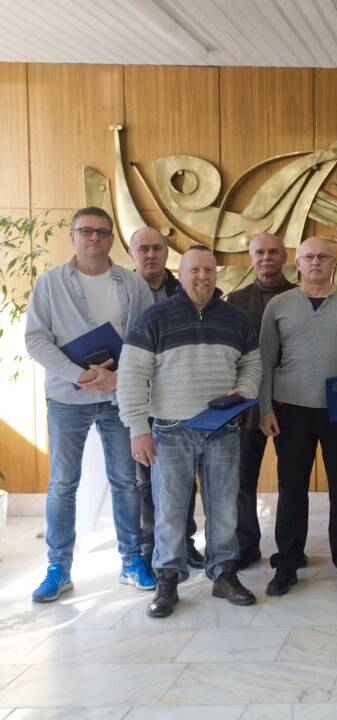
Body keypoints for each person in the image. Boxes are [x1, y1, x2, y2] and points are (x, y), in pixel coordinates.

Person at [118, 245, 261, 618]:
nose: (203, 277)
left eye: (209, 270)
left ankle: (223, 574)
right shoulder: (154, 318)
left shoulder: (236, 319)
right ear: (179, 275)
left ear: (217, 274)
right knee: (170, 510)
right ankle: (167, 580)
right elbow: (132, 376)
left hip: (223, 430)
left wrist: (245, 389)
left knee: (224, 507)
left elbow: (252, 364)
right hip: (170, 429)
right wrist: (138, 429)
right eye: (194, 270)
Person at [25, 207, 156, 602]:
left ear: (112, 238)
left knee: (125, 481)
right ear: (73, 236)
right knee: (63, 484)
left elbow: (146, 339)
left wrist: (116, 378)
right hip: (68, 397)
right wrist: (77, 374)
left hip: (119, 396)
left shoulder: (133, 285)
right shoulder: (49, 283)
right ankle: (58, 569)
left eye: (101, 232)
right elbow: (36, 339)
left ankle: (132, 560)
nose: (94, 239)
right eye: (86, 231)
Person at [260, 237, 337, 596]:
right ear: (297, 263)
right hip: (290, 410)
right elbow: (265, 360)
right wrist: (265, 407)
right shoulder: (279, 306)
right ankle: (287, 562)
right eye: (308, 257)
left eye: (323, 257)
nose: (315, 262)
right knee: (291, 488)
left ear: (334, 264)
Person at [128, 227, 202, 570]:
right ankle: (149, 549)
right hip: (137, 397)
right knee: (145, 482)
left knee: (182, 480)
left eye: (157, 248)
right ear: (132, 253)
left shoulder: (182, 289)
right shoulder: (123, 289)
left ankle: (184, 544)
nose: (151, 254)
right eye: (143, 249)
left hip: (178, 398)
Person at [225, 232, 296, 569]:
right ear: (251, 258)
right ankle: (246, 546)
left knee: (291, 481)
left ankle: (289, 550)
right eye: (259, 252)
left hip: (289, 403)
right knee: (242, 480)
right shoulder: (235, 301)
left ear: (285, 257)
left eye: (273, 252)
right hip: (246, 405)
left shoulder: (300, 296)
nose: (266, 258)